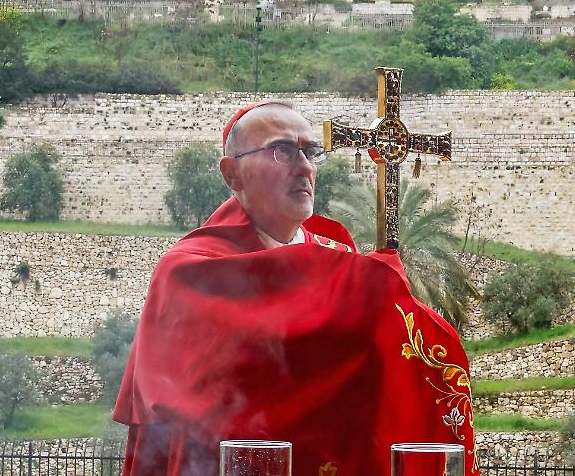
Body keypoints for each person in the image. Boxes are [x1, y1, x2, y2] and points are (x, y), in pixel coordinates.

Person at [113, 101, 477, 476]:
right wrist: (371, 286)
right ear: (232, 173)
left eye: (310, 152)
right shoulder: (190, 272)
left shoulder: (340, 257)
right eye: (282, 150)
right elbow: (234, 388)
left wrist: (380, 298)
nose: (304, 167)